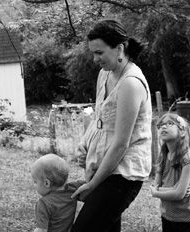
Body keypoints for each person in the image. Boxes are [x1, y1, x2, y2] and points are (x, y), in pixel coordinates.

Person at [71, 20, 153, 232]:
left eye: (99, 53)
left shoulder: (131, 83)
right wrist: (84, 142)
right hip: (104, 168)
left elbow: (120, 144)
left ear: (119, 48)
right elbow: (100, 118)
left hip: (123, 174)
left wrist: (92, 184)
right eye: (93, 53)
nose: (95, 59)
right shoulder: (105, 74)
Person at [151, 112, 190, 232]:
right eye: (161, 125)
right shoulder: (163, 156)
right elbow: (157, 186)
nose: (163, 126)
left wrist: (157, 192)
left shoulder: (187, 158)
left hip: (186, 218)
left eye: (170, 123)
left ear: (182, 132)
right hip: (167, 214)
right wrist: (173, 189)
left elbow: (178, 195)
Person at [31, 153, 85, 232]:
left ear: (47, 183)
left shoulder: (44, 204)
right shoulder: (73, 189)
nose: (35, 185)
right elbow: (88, 182)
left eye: (35, 182)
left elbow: (41, 230)